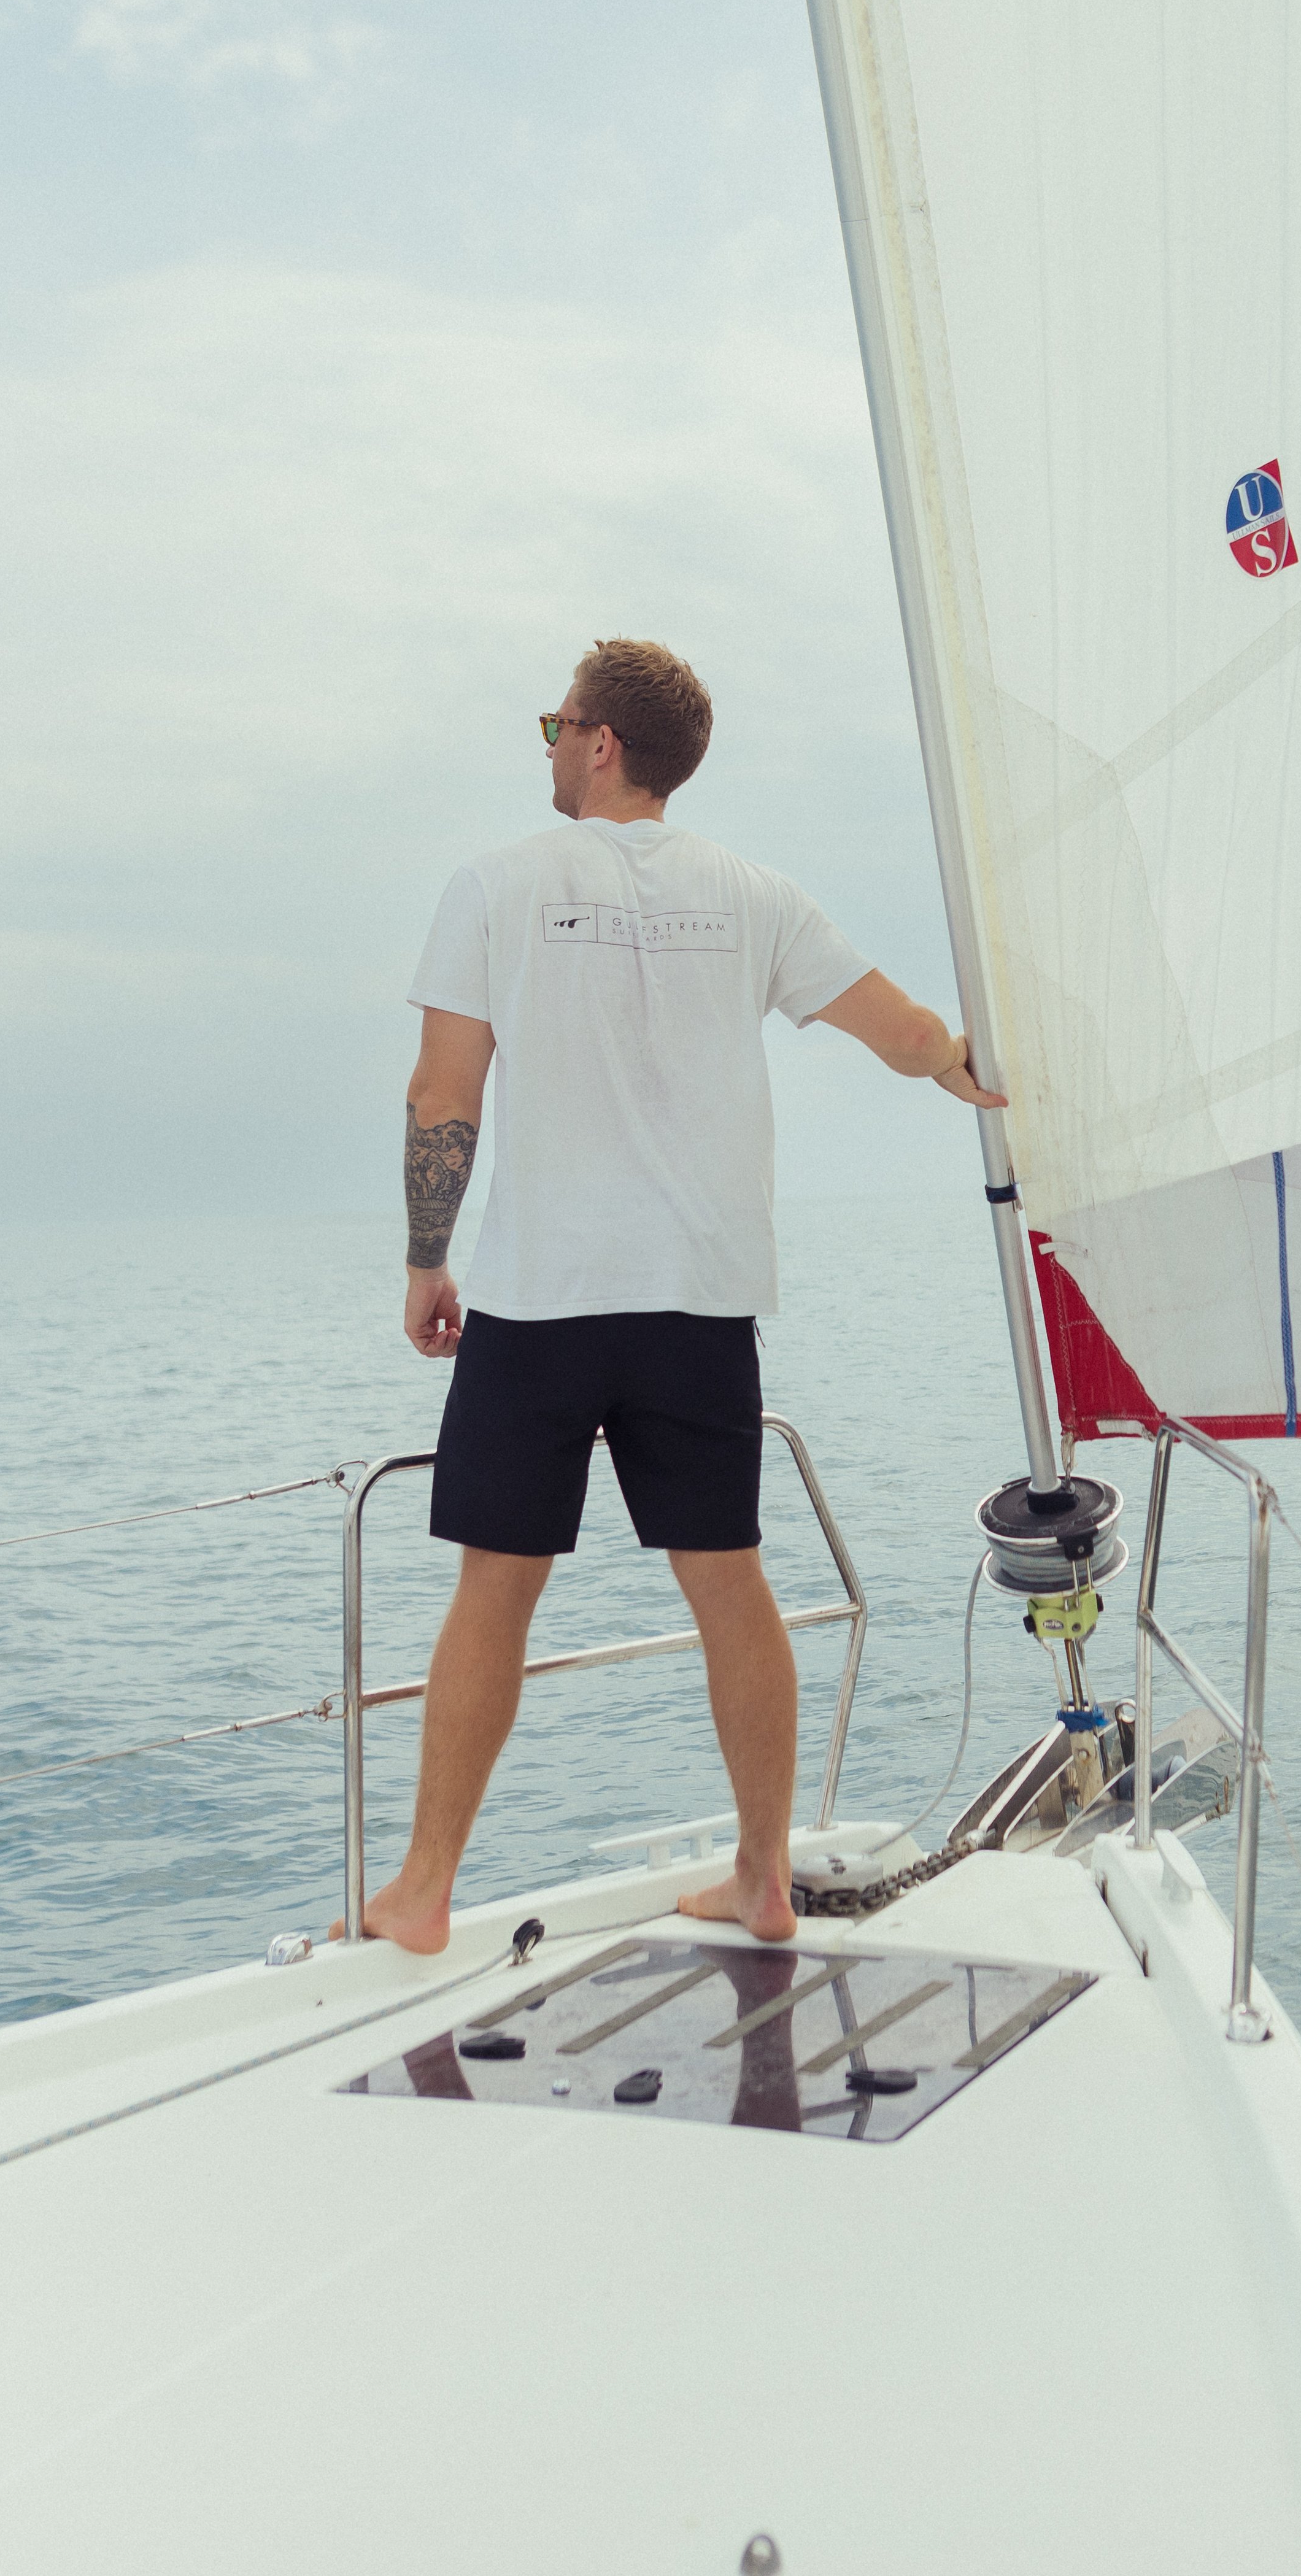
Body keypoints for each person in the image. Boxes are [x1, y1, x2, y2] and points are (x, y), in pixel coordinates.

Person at [353, 637, 994, 1953]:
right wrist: (976, 1066)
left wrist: (428, 1257)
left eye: (555, 720)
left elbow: (442, 1094)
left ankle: (423, 1892)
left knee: (495, 1589)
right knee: (729, 1578)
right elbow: (908, 1035)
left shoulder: (495, 885)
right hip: (701, 1300)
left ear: (599, 742)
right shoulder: (755, 895)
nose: (546, 742)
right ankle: (763, 1877)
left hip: (542, 1302)